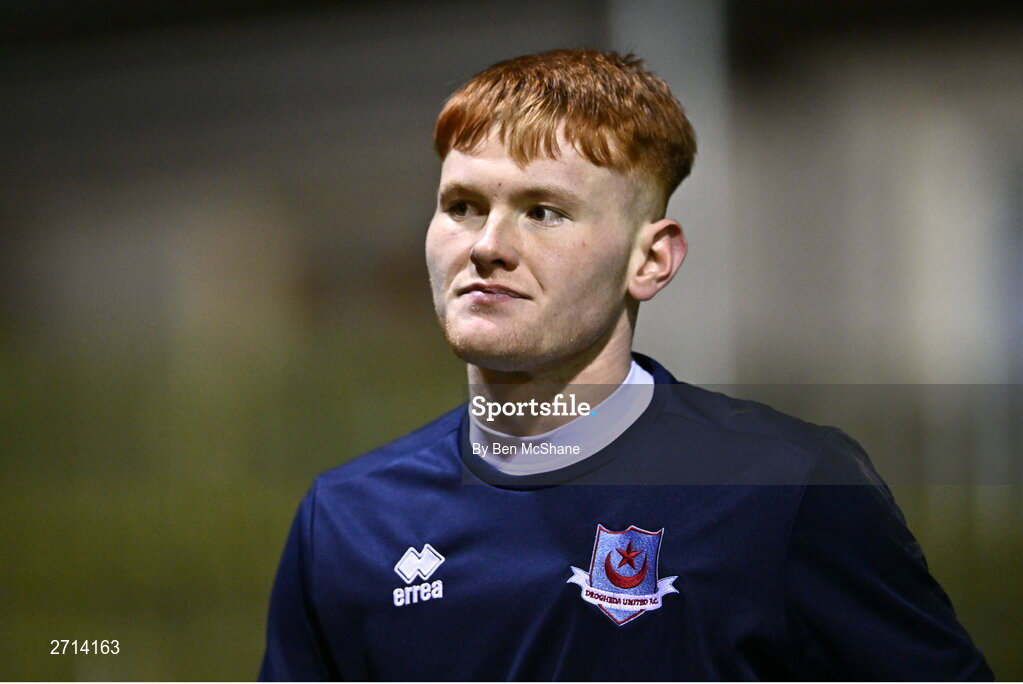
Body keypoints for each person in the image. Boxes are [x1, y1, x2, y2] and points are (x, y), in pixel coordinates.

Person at [259, 49, 992, 680]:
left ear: (650, 258)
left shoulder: (784, 488)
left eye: (542, 210)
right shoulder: (349, 520)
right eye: (461, 205)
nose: (487, 244)